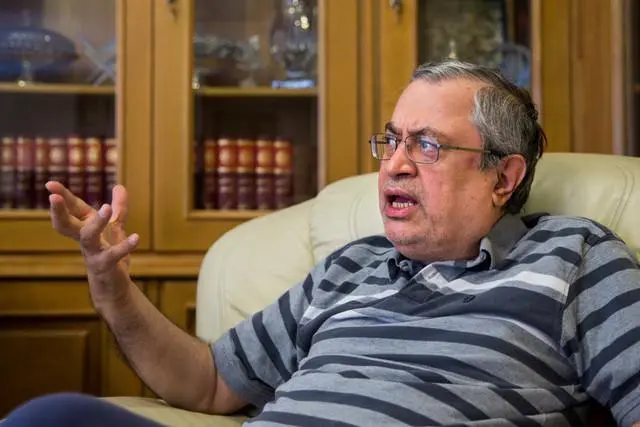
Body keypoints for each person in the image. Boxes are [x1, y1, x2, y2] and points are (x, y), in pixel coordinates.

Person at [4, 59, 640, 427]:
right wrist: (112, 286)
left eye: (426, 145)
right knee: (52, 418)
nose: (394, 165)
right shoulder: (352, 267)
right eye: (391, 141)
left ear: (503, 177)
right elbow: (209, 383)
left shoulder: (573, 257)